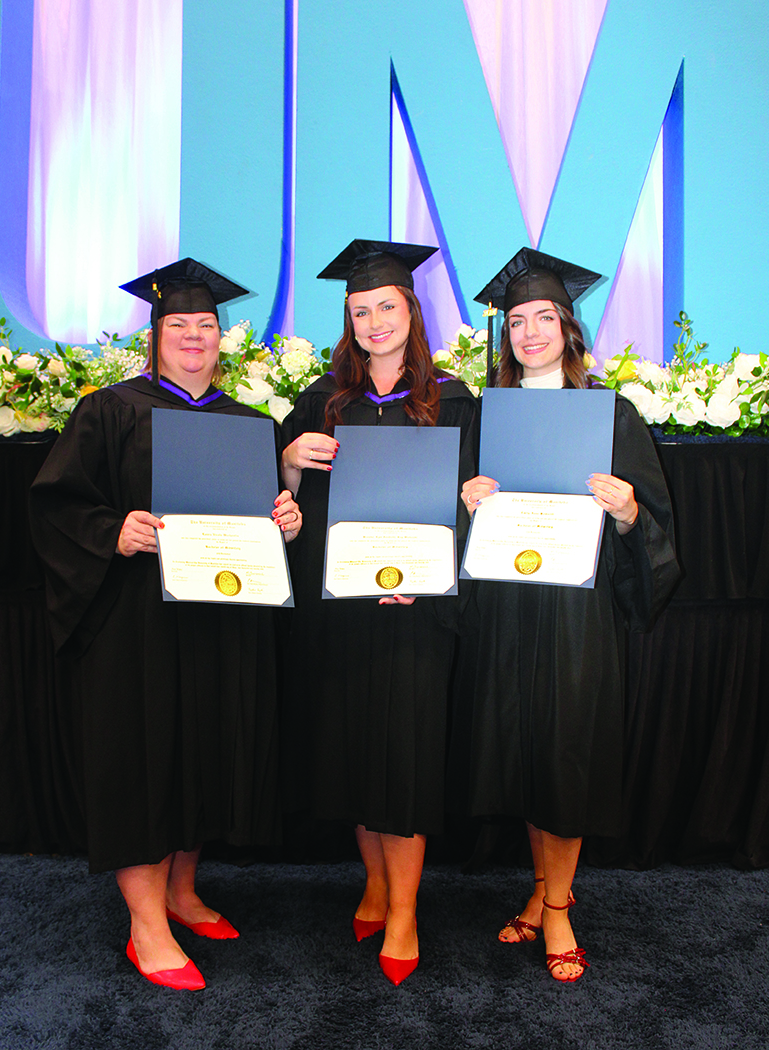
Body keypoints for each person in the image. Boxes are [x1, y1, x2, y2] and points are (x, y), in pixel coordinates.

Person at [29, 258, 300, 990]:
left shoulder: (248, 424)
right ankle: (145, 926)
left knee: (198, 754)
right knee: (143, 764)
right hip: (134, 627)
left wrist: (286, 515)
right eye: (177, 325)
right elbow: (54, 506)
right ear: (154, 337)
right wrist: (110, 531)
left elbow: (260, 522)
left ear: (222, 338)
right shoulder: (108, 411)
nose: (191, 336)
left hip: (215, 620)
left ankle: (182, 892)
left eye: (203, 325)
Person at [455, 247, 680, 983]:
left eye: (541, 318)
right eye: (515, 321)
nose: (527, 333)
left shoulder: (611, 414)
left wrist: (626, 513)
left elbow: (653, 535)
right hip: (509, 612)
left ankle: (556, 908)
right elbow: (454, 532)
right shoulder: (485, 416)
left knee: (567, 757)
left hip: (577, 619)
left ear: (567, 327)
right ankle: (545, 888)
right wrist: (468, 504)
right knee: (527, 755)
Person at [280, 239, 479, 985]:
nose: (372, 322)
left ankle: (404, 911)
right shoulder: (320, 403)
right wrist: (288, 464)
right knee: (357, 751)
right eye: (359, 311)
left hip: (418, 612)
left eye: (384, 307)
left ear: (410, 311)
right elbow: (288, 514)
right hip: (347, 610)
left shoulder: (453, 402)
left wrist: (433, 573)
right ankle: (373, 883)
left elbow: (472, 507)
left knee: (407, 760)